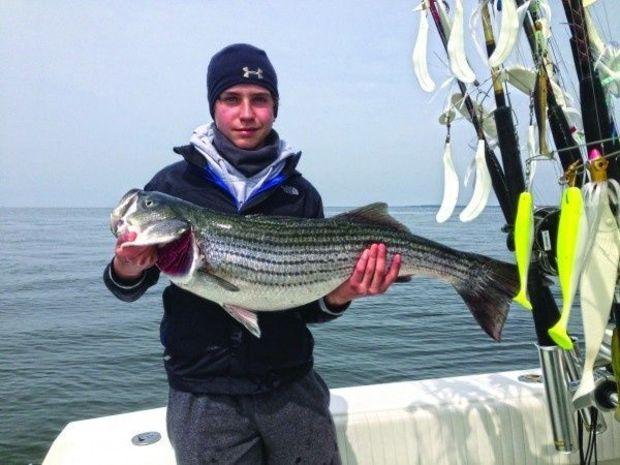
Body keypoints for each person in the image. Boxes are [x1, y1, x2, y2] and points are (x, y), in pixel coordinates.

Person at [104, 43, 401, 465]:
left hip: (291, 386)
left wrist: (341, 295)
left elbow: (309, 306)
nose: (246, 113)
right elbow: (125, 288)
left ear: (274, 109)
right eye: (231, 99)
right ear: (214, 106)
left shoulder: (300, 193)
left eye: (259, 100)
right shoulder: (171, 187)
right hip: (203, 393)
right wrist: (127, 267)